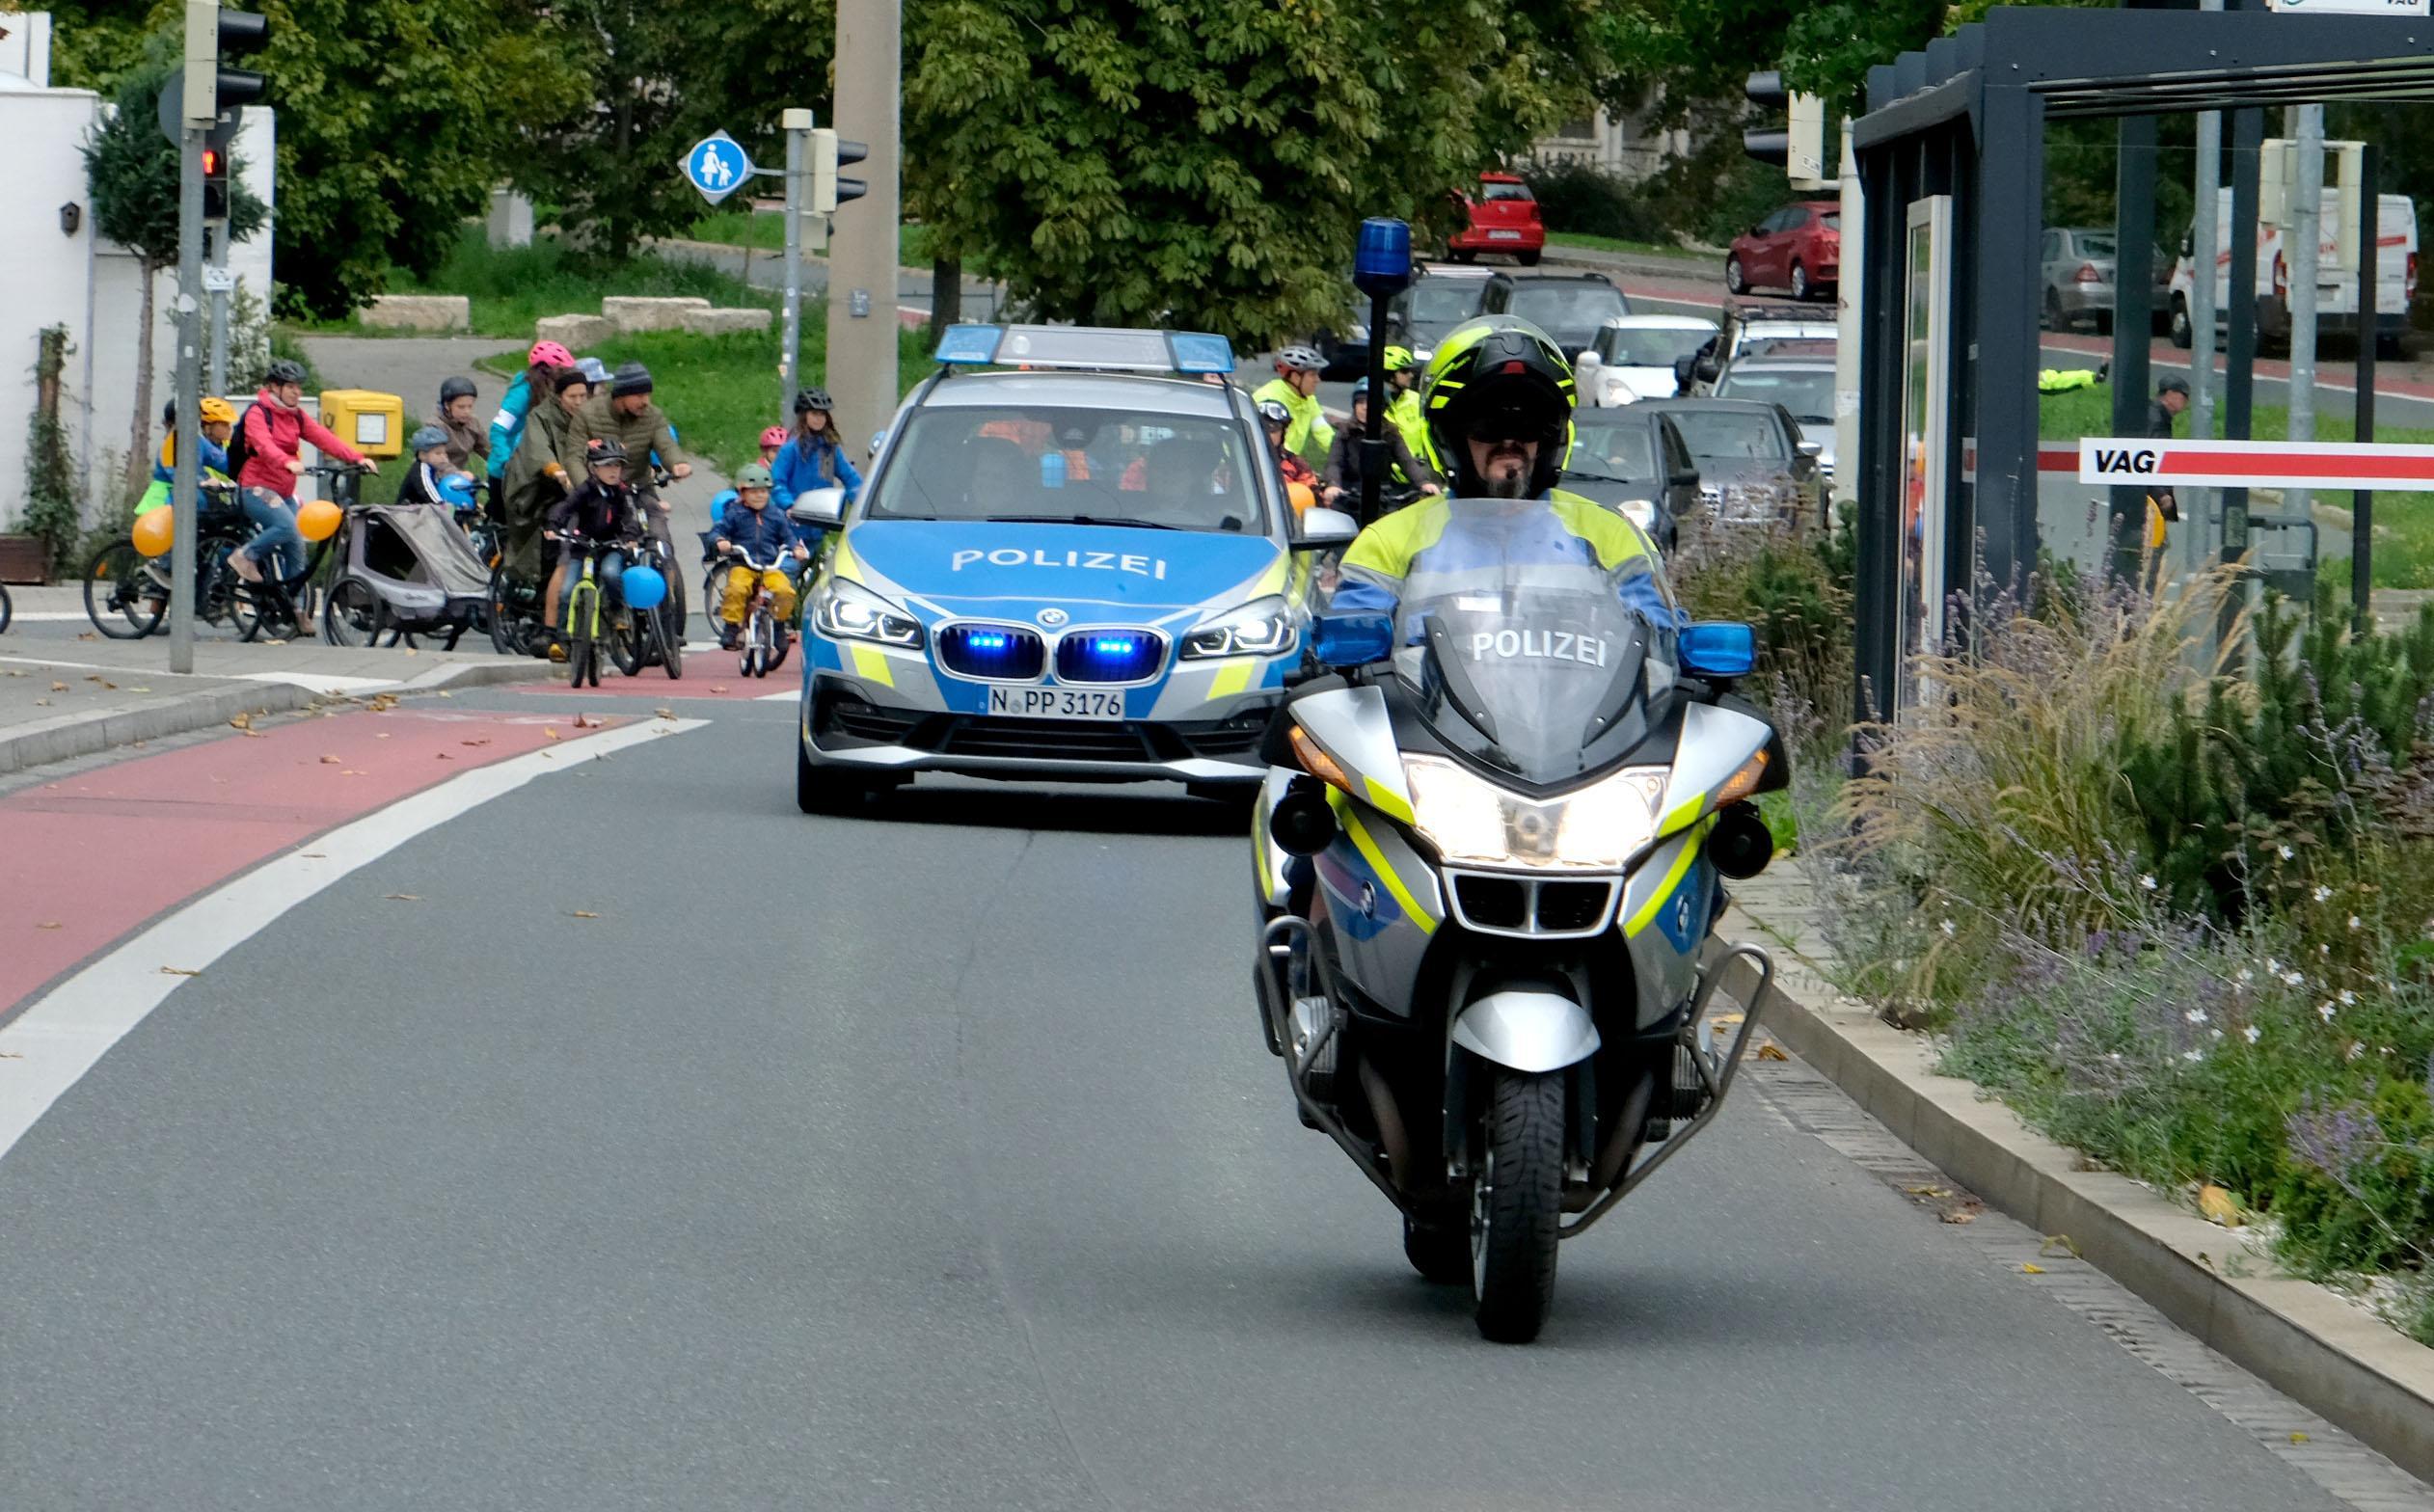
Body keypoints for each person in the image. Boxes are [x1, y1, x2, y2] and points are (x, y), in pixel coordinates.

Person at [1328, 317, 1670, 627]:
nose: (1510, 439)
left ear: (1553, 437)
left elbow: (1659, 637)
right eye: (1487, 423)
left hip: (1584, 698)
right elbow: (1350, 642)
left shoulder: (1610, 536)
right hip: (1432, 699)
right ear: (1450, 438)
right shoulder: (1388, 543)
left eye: (1528, 422)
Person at [231, 359, 376, 585]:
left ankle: (295, 610)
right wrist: (286, 461)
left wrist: (357, 458)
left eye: (299, 387)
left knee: (296, 545)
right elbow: (263, 445)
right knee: (286, 526)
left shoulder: (296, 415)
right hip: (255, 489)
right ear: (274, 387)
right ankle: (244, 556)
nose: (297, 392)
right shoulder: (257, 414)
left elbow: (323, 438)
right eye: (291, 386)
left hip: (283, 493)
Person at [577, 362, 691, 580]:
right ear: (621, 396)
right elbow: (577, 454)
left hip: (641, 490)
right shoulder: (591, 415)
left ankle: (669, 597)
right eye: (639, 395)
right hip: (606, 495)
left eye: (647, 395)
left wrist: (677, 463)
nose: (645, 401)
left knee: (661, 539)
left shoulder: (653, 416)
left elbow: (665, 444)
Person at [542, 438, 642, 657]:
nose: (614, 471)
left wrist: (630, 535)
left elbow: (631, 516)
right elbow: (565, 508)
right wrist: (553, 525)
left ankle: (617, 611)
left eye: (617, 466)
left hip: (612, 546)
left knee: (610, 573)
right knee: (567, 589)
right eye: (607, 466)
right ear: (593, 468)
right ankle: (562, 640)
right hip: (584, 547)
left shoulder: (622, 493)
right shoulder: (586, 490)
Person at [501, 366, 593, 589]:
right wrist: (556, 471)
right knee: (554, 532)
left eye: (583, 395)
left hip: (576, 487)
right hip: (537, 488)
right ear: (559, 395)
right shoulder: (540, 416)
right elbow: (538, 448)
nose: (579, 401)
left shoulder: (589, 417)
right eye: (573, 397)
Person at [715, 462, 810, 651]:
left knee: (785, 591)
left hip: (769, 566)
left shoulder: (775, 515)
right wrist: (720, 540)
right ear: (742, 493)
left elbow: (788, 536)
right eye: (754, 492)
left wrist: (795, 548)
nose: (760, 496)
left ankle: (779, 624)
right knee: (736, 588)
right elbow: (719, 530)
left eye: (764, 491)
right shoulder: (735, 513)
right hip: (744, 564)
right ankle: (731, 627)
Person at [1322, 378, 1440, 512]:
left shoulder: (1390, 432)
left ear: (1382, 407)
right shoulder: (1345, 432)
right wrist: (1333, 485)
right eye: (1360, 402)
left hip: (1382, 493)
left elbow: (1406, 460)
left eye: (1371, 402)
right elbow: (1334, 463)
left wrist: (1423, 483)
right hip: (1349, 494)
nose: (1365, 407)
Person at [487, 340, 575, 513]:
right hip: (506, 472)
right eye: (561, 372)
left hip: (532, 468)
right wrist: (507, 462)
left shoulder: (550, 394)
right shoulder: (520, 394)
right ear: (545, 372)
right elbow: (498, 430)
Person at [769, 387, 863, 513]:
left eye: (822, 414)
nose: (819, 419)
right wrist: (789, 505)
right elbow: (777, 482)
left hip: (821, 517)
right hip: (794, 519)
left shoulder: (831, 448)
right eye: (814, 414)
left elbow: (850, 477)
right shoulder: (790, 449)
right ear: (804, 415)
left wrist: (861, 503)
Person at [1251, 346, 1335, 469]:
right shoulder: (1269, 400)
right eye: (1312, 375)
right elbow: (1267, 445)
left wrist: (1344, 455)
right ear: (1296, 377)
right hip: (1261, 465)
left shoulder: (1308, 399)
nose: (1318, 380)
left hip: (1286, 464)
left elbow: (1323, 432)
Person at [2145, 373, 2188, 554]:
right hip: (2151, 499)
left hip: (2148, 496)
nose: (2186, 401)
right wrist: (2160, 493)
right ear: (2170, 394)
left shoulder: (2155, 416)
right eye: (2184, 396)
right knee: (2153, 550)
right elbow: (2147, 458)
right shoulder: (2157, 421)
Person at [1381, 344, 1429, 470]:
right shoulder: (1372, 402)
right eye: (1404, 371)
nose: (1411, 375)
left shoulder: (1416, 400)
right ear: (1389, 375)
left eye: (1411, 371)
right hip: (1384, 476)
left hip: (1416, 475)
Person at [1258, 399, 1319, 494]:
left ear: (1284, 432)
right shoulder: (1238, 460)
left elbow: (1312, 496)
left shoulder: (1297, 465)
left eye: (1272, 428)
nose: (1266, 433)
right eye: (1261, 427)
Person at [393, 425, 463, 507]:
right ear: (422, 455)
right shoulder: (421, 469)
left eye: (444, 453)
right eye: (438, 453)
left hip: (422, 512)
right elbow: (428, 491)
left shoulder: (435, 469)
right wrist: (441, 506)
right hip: (407, 514)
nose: (443, 457)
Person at [437, 377, 487, 481]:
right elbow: (435, 460)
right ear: (447, 405)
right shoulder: (436, 427)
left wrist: (505, 463)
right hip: (435, 478)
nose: (467, 412)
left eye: (470, 406)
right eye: (461, 407)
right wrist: (457, 473)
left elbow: (487, 449)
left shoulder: (473, 423)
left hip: (458, 479)